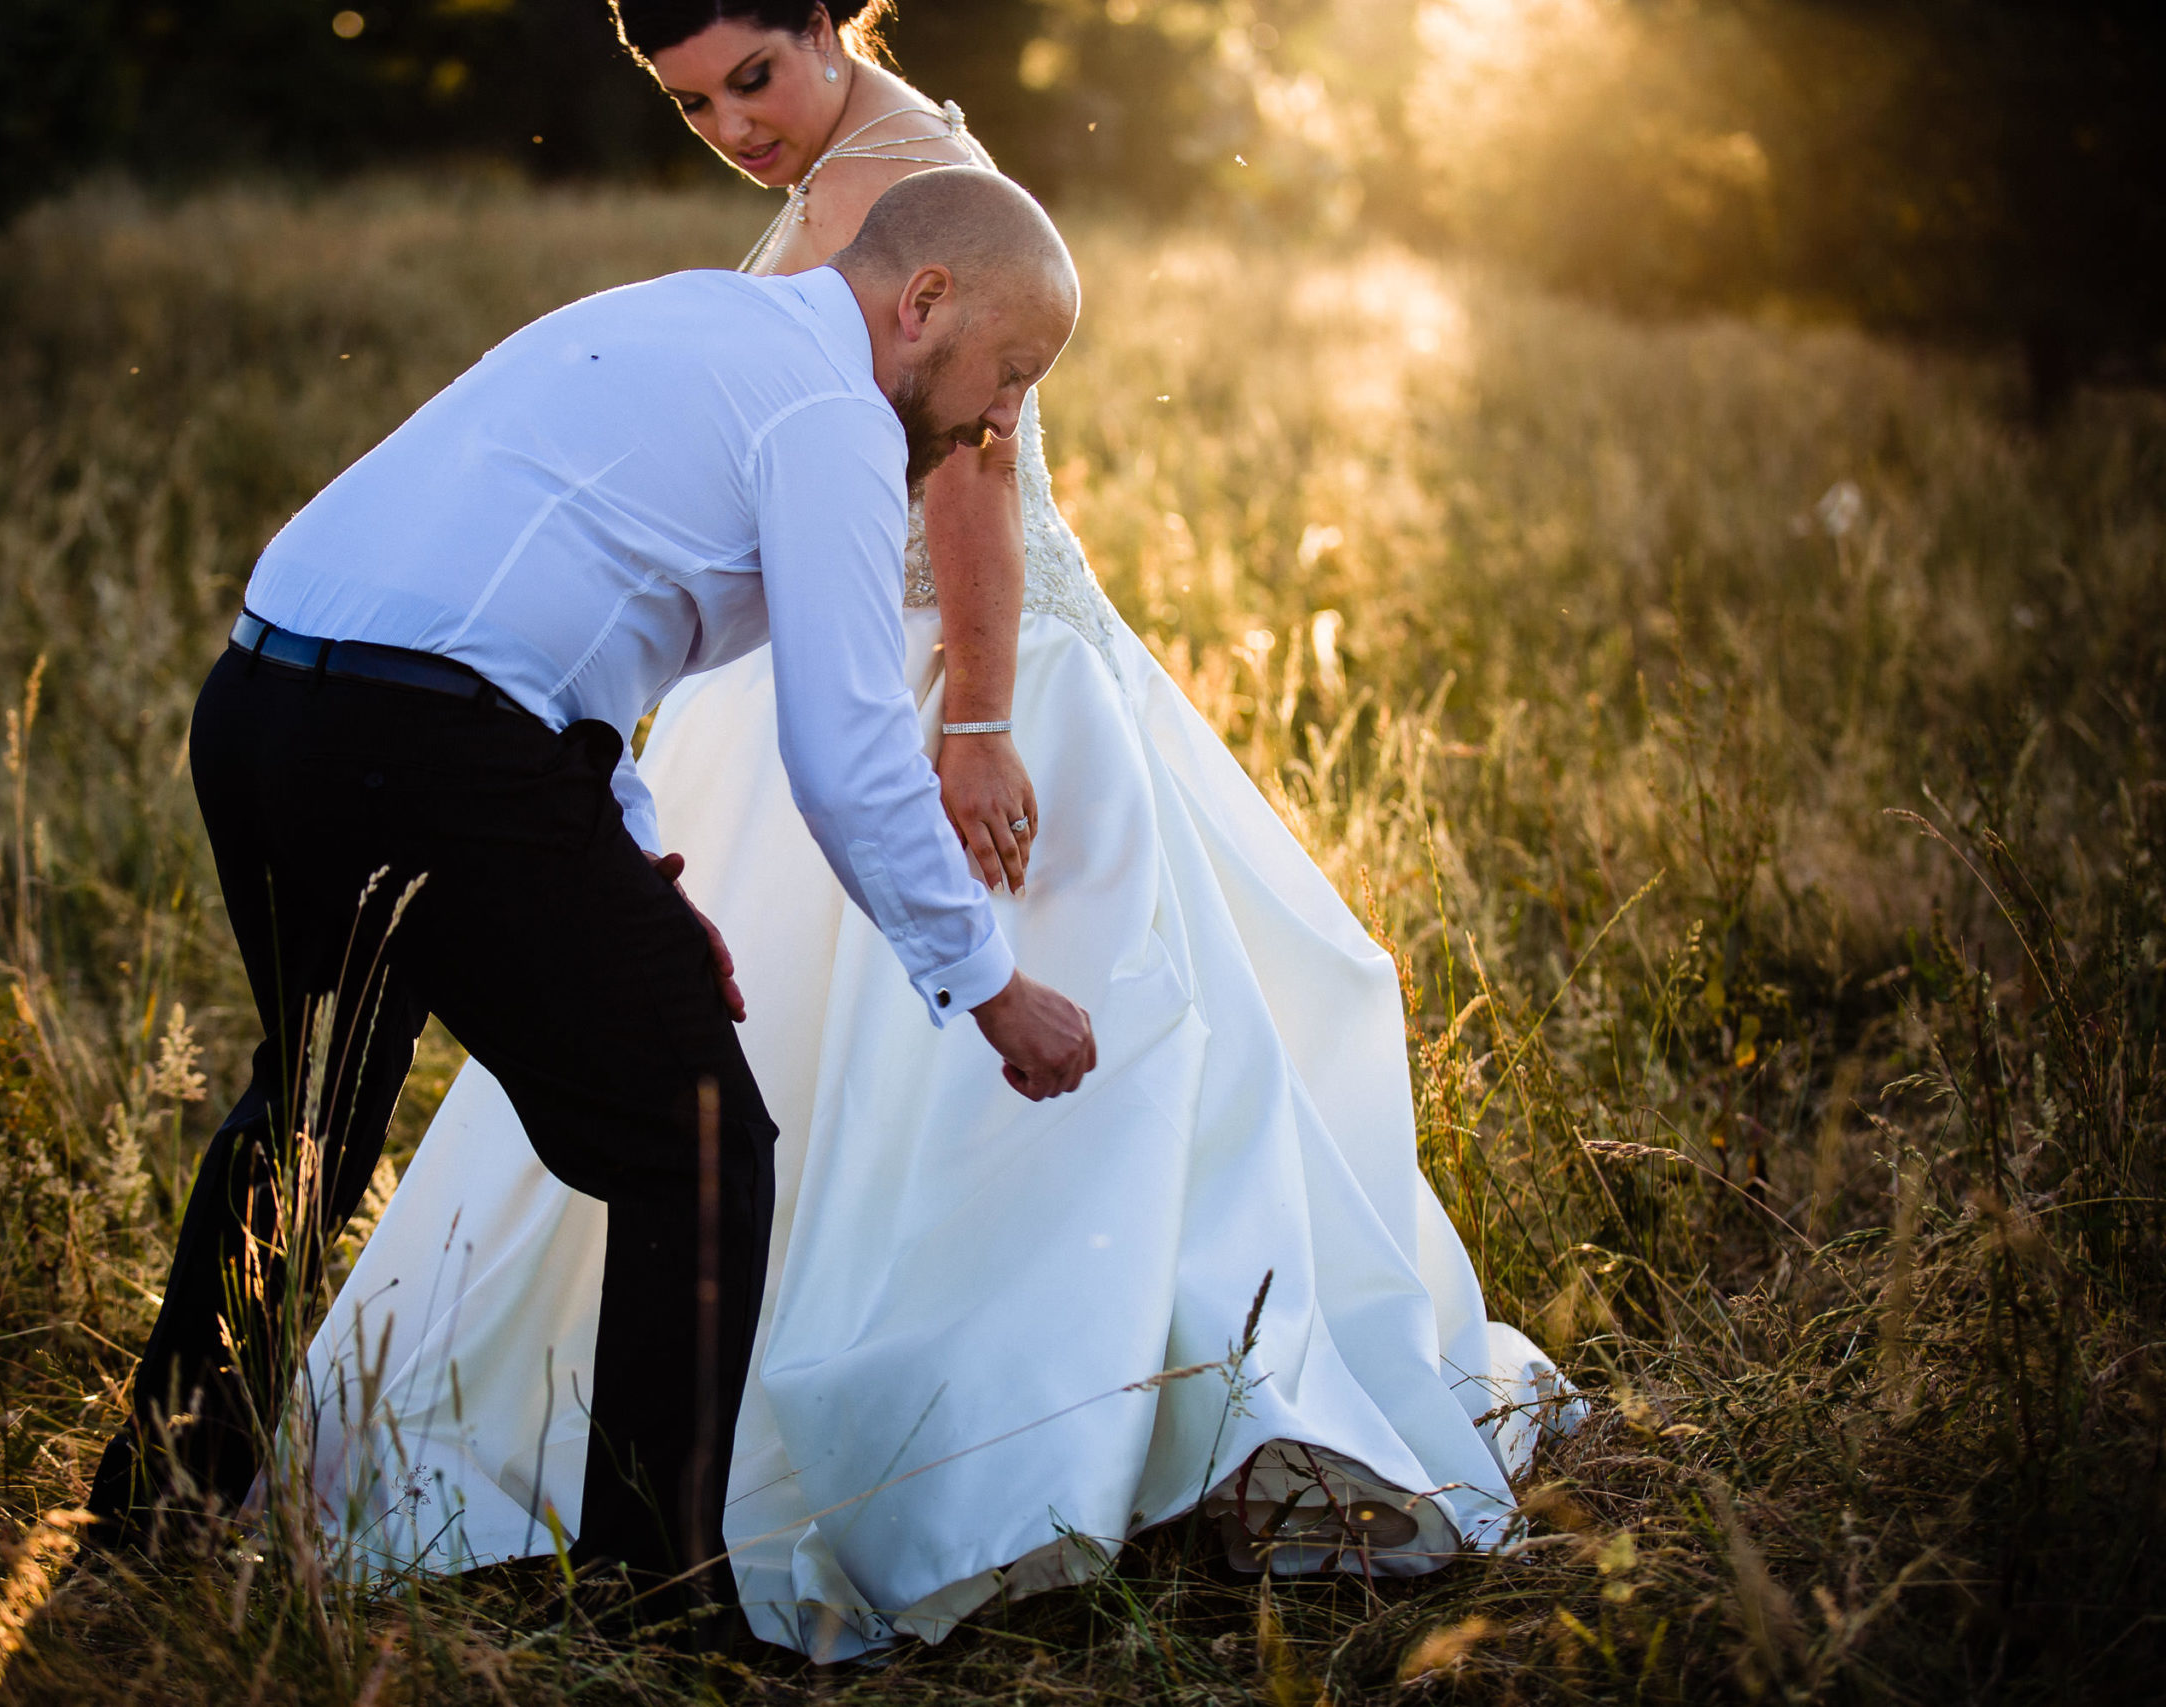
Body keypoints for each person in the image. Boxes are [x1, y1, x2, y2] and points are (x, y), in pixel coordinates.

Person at [296, 0, 1581, 1660]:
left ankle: (1017, 1446)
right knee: (784, 1067)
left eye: (755, 78)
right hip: (827, 661)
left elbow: (971, 464)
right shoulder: (873, 156)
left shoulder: (900, 183)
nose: (735, 129)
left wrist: (973, 718)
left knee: (961, 1078)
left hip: (924, 673)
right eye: (692, 107)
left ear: (829, 23)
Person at [80, 165, 1099, 1606]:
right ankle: (651, 1601)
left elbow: (556, 628)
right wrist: (990, 990)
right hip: (429, 748)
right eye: (1010, 373)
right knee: (699, 1147)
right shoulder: (832, 418)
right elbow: (852, 747)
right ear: (923, 299)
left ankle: (150, 1522)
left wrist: (628, 870)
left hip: (264, 703)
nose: (1003, 420)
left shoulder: (682, 320)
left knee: (309, 1116)